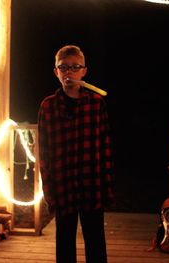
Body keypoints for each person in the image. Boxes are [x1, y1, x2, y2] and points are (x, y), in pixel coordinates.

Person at [37, 45, 115, 263]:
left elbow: (105, 146)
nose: (69, 72)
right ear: (56, 72)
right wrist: (49, 191)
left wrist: (107, 189)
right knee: (64, 242)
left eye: (74, 67)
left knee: (95, 241)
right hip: (63, 187)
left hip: (91, 186)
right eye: (63, 67)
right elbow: (44, 153)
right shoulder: (48, 106)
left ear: (84, 71)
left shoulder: (96, 104)